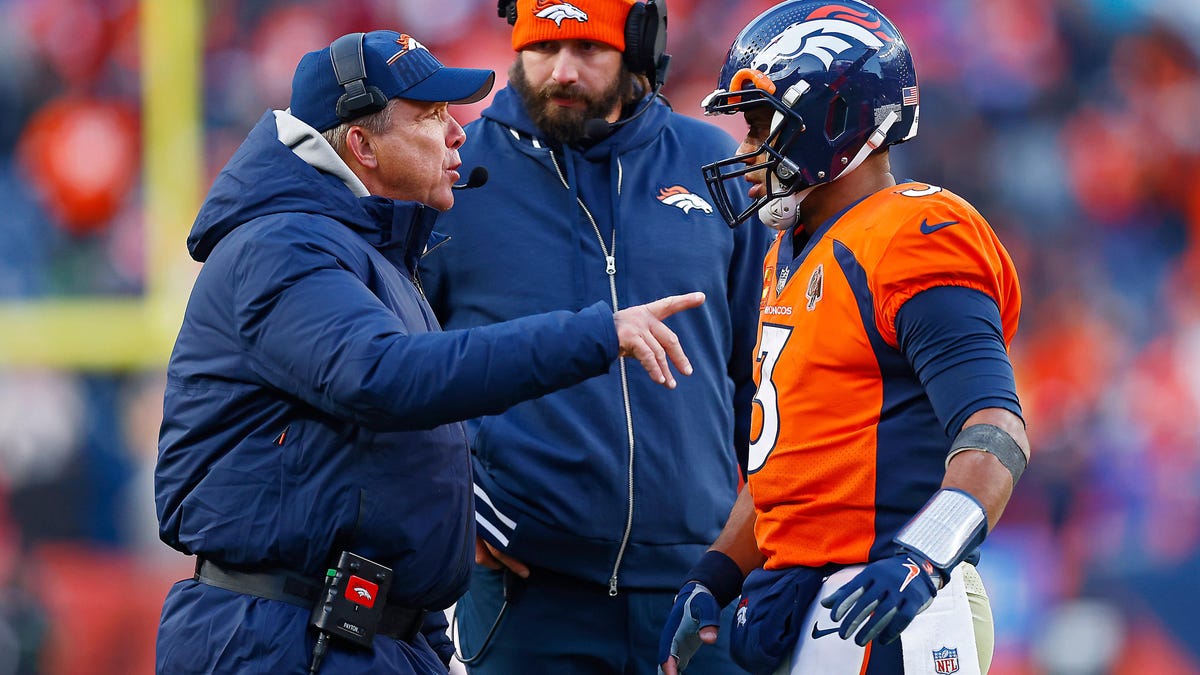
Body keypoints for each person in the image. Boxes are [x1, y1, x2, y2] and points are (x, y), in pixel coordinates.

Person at [153, 29, 708, 675]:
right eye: (432, 115)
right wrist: (593, 335)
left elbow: (391, 473)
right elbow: (383, 376)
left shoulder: (366, 251)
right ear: (362, 145)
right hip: (281, 636)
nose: (458, 134)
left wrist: (423, 632)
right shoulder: (282, 245)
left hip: (353, 631)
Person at [656, 2, 1029, 674]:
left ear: (833, 119)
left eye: (762, 125)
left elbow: (995, 430)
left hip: (896, 600)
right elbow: (792, 464)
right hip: (811, 601)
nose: (745, 149)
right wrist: (715, 573)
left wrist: (925, 555)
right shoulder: (789, 251)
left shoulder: (914, 235)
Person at [416, 0, 770, 672]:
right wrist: (459, 501)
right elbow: (400, 369)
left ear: (636, 50)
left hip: (700, 582)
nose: (562, 71)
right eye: (543, 48)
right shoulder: (454, 171)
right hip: (528, 591)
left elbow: (764, 372)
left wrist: (754, 536)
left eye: (587, 48)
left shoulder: (711, 163)